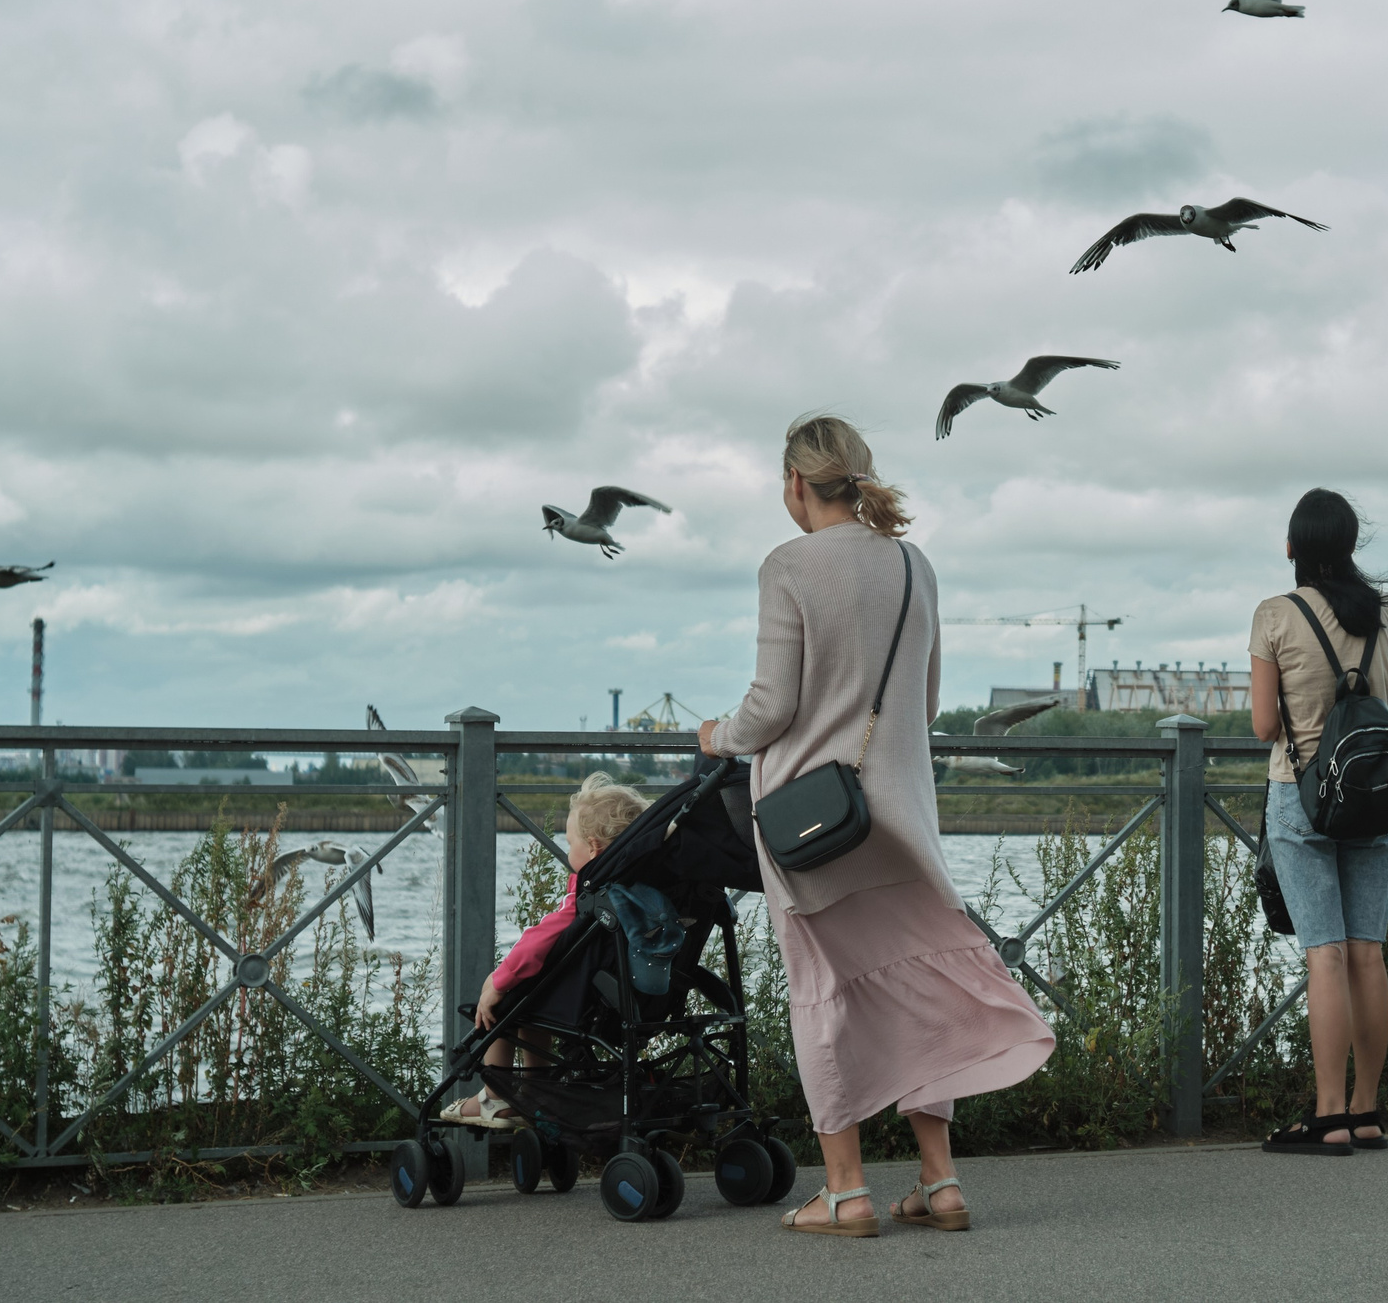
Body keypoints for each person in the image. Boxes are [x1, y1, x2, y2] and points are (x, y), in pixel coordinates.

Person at [699, 414, 1053, 1236]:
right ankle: (940, 1179)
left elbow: (770, 707)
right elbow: (923, 704)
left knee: (824, 991)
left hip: (811, 825)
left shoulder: (786, 565)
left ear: (795, 482)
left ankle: (847, 1190)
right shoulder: (913, 563)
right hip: (901, 819)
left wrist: (717, 735)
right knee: (918, 980)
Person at [1248, 488, 1388, 1154]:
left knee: (1327, 953)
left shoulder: (1275, 614)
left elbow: (1265, 725)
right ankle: (1367, 1111)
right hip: (1374, 793)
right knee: (1368, 951)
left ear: (1292, 547)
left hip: (1302, 795)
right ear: (1349, 546)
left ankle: (1328, 1115)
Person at [440, 772, 651, 1128]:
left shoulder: (591, 895)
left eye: (570, 843)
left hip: (582, 1000)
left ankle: (494, 1098)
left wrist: (499, 980)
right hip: (632, 996)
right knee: (534, 1000)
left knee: (506, 1003)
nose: (567, 851)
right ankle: (537, 1093)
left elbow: (540, 939)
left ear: (593, 848)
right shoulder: (642, 889)